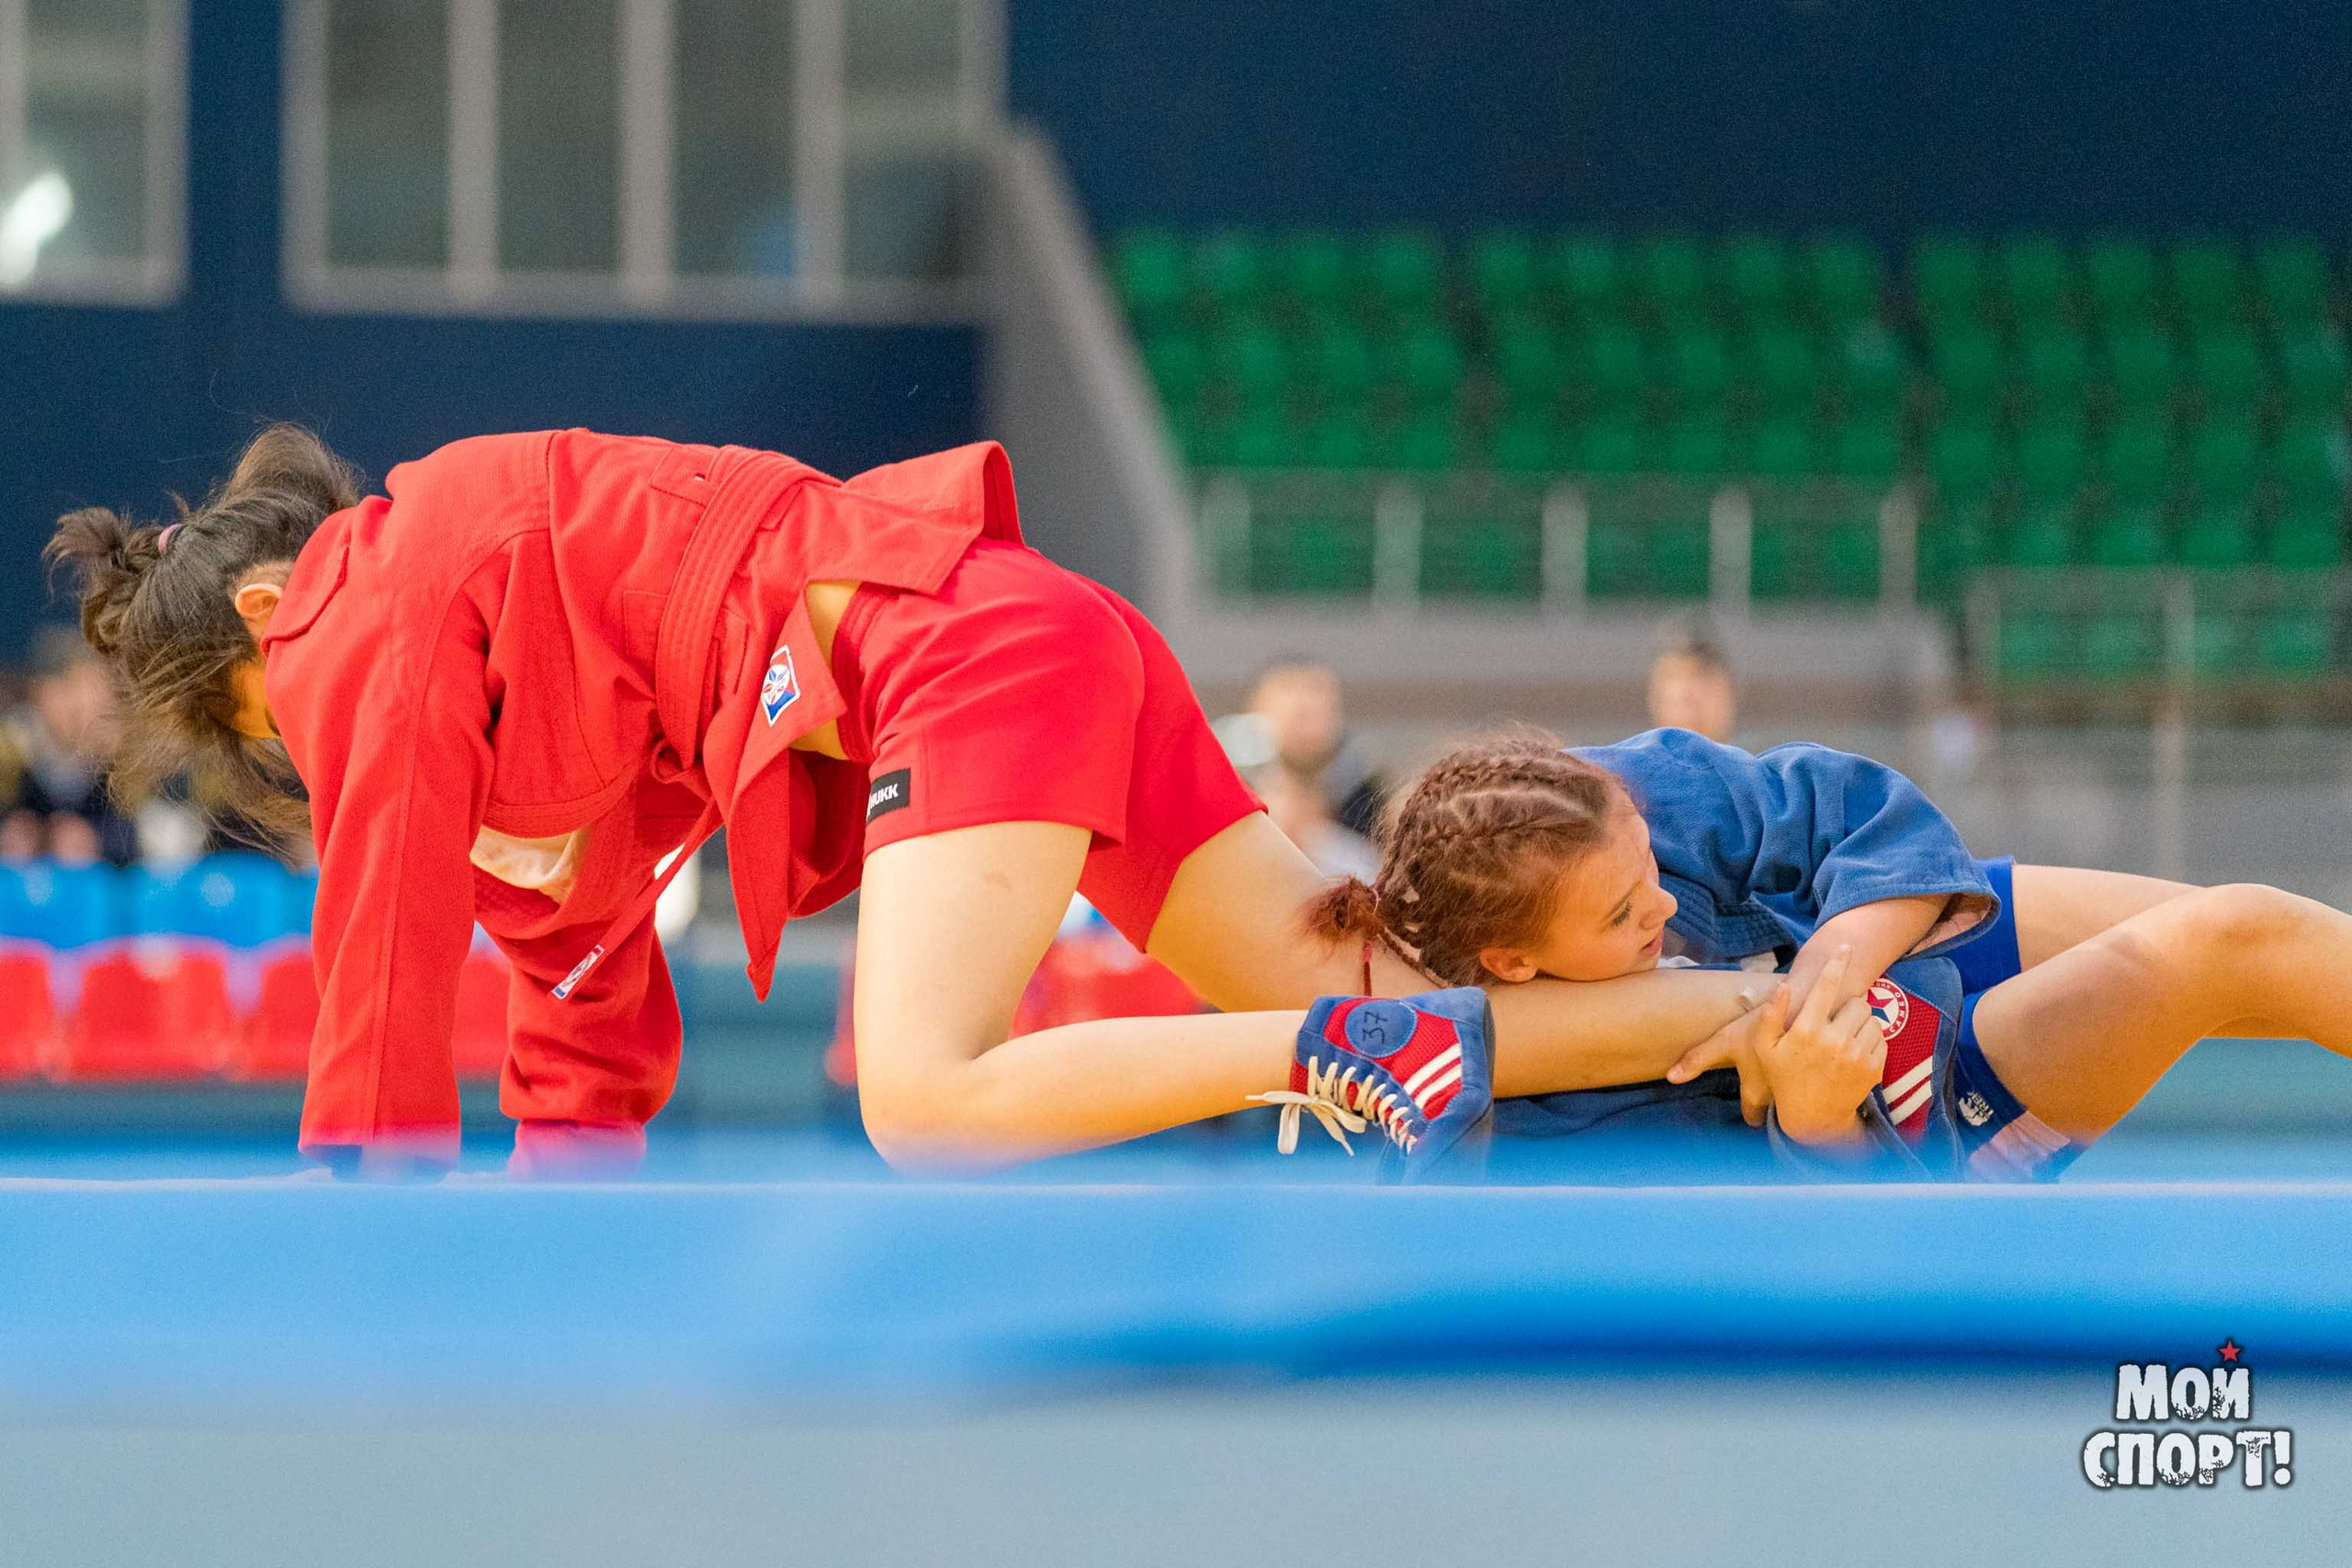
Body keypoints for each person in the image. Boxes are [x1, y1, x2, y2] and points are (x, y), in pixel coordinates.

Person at [51, 424, 1779, 1179]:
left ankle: (1341, 1069)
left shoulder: (359, 590)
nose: (310, 756)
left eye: (269, 721)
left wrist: (366, 1183)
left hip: (946, 654)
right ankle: (1771, 1004)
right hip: (1033, 625)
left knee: (923, 1098)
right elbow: (564, 939)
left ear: (273, 617)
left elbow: (383, 918)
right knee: (1372, 986)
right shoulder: (515, 648)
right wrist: (566, 1177)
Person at [1314, 726, 2352, 1180]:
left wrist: (1848, 949)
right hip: (1920, 1108)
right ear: (1509, 962)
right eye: (1622, 919)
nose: (1663, 901)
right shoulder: (1521, 1120)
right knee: (2236, 937)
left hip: (1896, 922)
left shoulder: (1577, 800)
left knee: (2287, 953)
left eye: (1646, 866)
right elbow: (1846, 1253)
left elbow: (1842, 809)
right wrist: (1815, 1118)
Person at [0, 626, 140, 865]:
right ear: (43, 692)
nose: (87, 706)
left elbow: (139, 836)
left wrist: (94, 838)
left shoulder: (114, 754)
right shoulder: (12, 749)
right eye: (72, 691)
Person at [1246, 659, 1385, 839]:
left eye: (1314, 713)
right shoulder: (1238, 793)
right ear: (1257, 711)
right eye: (1297, 717)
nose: (1304, 703)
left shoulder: (1368, 799)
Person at [1645, 630, 1736, 743]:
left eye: (1706, 692)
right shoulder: (1623, 759)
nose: (1692, 715)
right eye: (1684, 700)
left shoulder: (1754, 759)